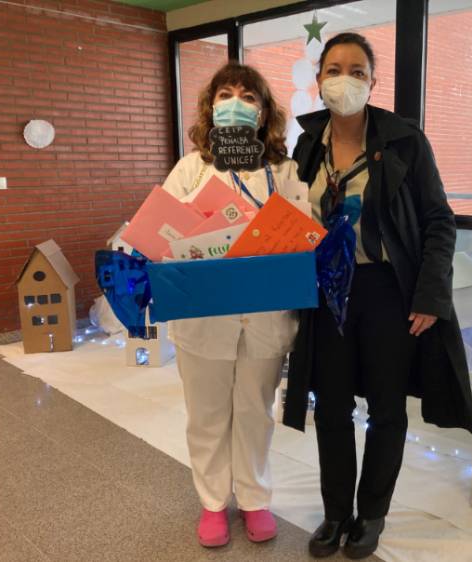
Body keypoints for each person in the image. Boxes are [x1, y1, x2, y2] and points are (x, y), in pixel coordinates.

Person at [283, 33, 472, 559]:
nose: (343, 80)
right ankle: (335, 513)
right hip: (327, 291)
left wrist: (430, 295)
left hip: (387, 290)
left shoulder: (404, 141)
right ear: (318, 78)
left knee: (386, 409)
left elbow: (439, 220)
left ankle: (371, 514)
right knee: (331, 407)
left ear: (373, 82)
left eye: (357, 71)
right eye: (333, 69)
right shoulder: (307, 145)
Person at [161, 62, 299, 548]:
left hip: (265, 316)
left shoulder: (282, 170)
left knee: (256, 412)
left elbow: (304, 233)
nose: (236, 103)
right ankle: (213, 503)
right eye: (226, 94)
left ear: (263, 113)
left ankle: (255, 499)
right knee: (207, 415)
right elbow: (162, 233)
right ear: (211, 106)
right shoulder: (191, 168)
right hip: (204, 317)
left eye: (248, 96)